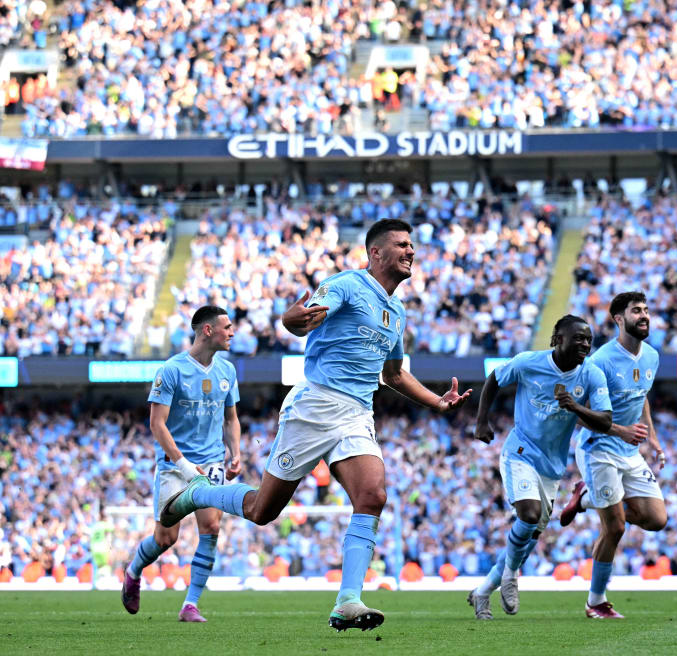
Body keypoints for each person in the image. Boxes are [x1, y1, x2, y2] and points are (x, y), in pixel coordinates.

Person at [160, 219, 471, 632]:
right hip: (316, 405)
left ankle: (348, 601)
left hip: (358, 413)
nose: (411, 251)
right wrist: (292, 321)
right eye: (401, 244)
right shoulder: (344, 285)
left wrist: (436, 400)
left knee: (373, 495)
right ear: (375, 253)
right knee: (261, 510)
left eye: (412, 245)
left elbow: (394, 375)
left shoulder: (397, 312)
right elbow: (302, 321)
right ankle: (196, 494)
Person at [468, 315, 613, 620]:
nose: (585, 344)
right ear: (556, 340)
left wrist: (574, 406)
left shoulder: (591, 375)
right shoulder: (528, 363)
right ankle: (510, 575)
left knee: (529, 538)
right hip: (520, 452)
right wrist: (482, 420)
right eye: (578, 338)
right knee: (529, 514)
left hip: (552, 467)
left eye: (588, 339)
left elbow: (605, 421)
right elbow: (495, 377)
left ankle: (482, 592)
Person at [120, 305, 241, 623]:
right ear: (208, 330)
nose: (232, 332)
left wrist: (236, 451)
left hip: (213, 461)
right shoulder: (171, 370)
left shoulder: (227, 371)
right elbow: (156, 424)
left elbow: (231, 418)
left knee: (211, 527)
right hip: (175, 465)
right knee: (166, 539)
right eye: (227, 327)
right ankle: (133, 572)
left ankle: (191, 604)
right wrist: (183, 463)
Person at [559, 291, 668, 619]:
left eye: (647, 310)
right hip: (599, 450)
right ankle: (596, 602)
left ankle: (585, 497)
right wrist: (620, 431)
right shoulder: (600, 361)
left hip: (630, 451)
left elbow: (641, 396)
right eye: (637, 311)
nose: (644, 315)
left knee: (656, 519)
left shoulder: (651, 356)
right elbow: (575, 410)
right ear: (619, 319)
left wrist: (655, 440)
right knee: (616, 527)